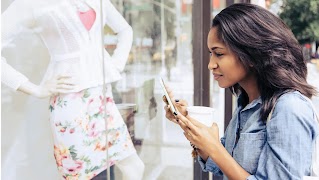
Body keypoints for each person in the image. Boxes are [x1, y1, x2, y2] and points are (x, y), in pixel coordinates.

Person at [163, 3, 319, 179]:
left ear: (251, 54)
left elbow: (221, 156)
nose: (210, 64)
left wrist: (214, 146)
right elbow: (224, 166)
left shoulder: (289, 108)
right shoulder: (246, 102)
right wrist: (188, 123)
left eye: (219, 54)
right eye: (210, 54)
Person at [1, 0, 144, 179]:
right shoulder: (31, 3)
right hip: (69, 102)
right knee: (83, 175)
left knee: (134, 167)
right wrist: (35, 89)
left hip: (101, 99)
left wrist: (116, 64)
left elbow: (125, 30)